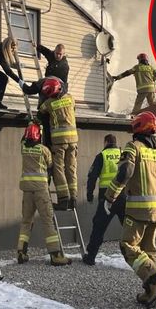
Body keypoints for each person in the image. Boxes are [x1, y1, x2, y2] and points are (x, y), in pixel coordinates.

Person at [105, 111, 156, 308]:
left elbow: (125, 172)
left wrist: (110, 196)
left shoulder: (133, 147)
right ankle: (151, 292)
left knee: (128, 246)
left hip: (138, 210)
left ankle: (155, 281)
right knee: (149, 249)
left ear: (137, 128)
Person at [17, 123, 71, 266]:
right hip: (41, 190)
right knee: (47, 221)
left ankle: (21, 252)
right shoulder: (43, 150)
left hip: (27, 191)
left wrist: (29, 125)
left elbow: (23, 140)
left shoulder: (23, 148)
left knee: (26, 221)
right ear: (38, 136)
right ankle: (55, 255)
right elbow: (50, 165)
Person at [82, 134, 125, 266]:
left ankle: (90, 257)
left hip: (107, 198)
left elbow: (92, 176)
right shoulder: (123, 154)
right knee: (130, 227)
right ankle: (140, 255)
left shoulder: (102, 156)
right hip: (123, 197)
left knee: (99, 226)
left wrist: (89, 194)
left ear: (106, 142)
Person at [38, 78, 78, 211]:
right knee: (71, 168)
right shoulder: (71, 98)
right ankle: (73, 199)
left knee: (58, 169)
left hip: (59, 143)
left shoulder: (49, 103)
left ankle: (63, 199)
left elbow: (40, 112)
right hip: (73, 141)